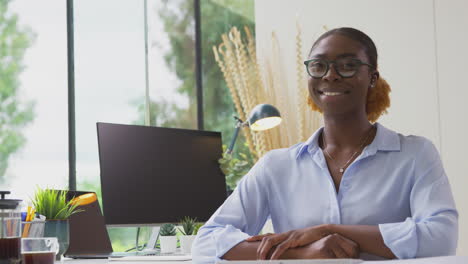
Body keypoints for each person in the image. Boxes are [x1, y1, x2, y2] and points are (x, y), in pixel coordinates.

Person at [191, 27, 458, 263]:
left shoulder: (415, 154)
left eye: (347, 65)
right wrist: (301, 251)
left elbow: (441, 238)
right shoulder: (277, 165)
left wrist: (330, 230)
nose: (330, 75)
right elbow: (206, 242)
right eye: (319, 66)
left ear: (372, 78)